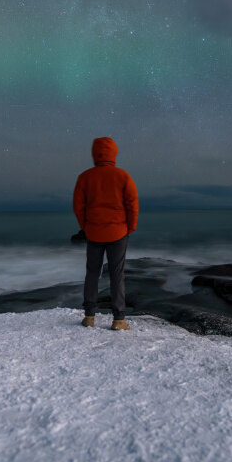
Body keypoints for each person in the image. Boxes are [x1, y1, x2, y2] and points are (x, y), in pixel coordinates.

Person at [73, 136, 138, 331]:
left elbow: (78, 206)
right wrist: (131, 227)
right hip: (118, 232)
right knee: (117, 275)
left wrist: (85, 226)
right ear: (114, 153)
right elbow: (132, 204)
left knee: (92, 273)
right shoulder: (123, 176)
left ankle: (89, 317)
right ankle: (118, 319)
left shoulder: (85, 177)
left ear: (94, 153)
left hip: (93, 232)